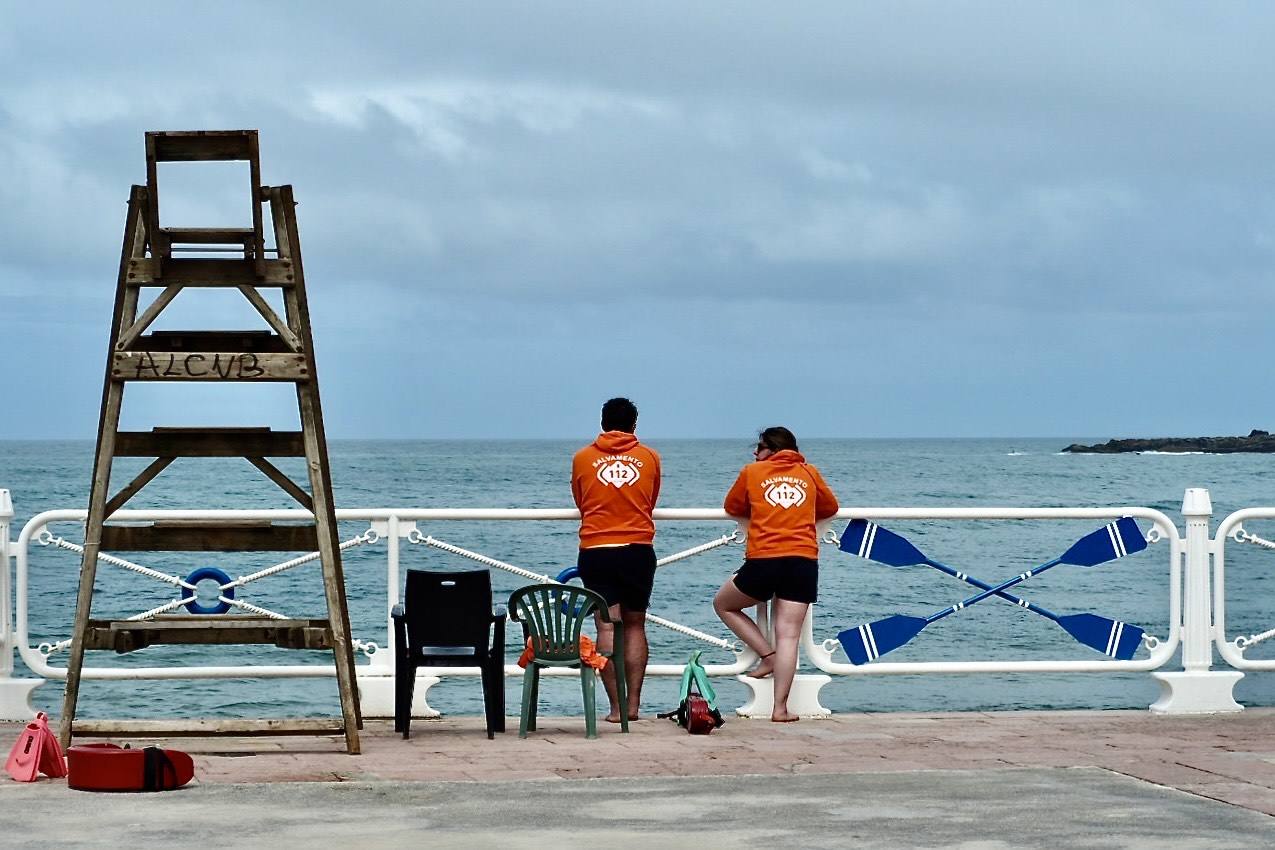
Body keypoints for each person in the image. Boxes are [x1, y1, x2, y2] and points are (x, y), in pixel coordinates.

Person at [714, 426, 839, 722]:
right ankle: (780, 708)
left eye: (758, 449)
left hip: (764, 560)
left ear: (769, 448)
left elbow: (732, 506)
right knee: (789, 636)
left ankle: (766, 655)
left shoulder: (752, 472)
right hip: (802, 560)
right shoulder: (809, 473)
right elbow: (830, 507)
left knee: (724, 604)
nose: (755, 454)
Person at [571, 397, 661, 723]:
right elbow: (651, 500)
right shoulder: (650, 457)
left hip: (596, 548)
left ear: (602, 423)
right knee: (636, 624)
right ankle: (634, 704)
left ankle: (615, 708)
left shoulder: (582, 458)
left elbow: (581, 500)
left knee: (606, 625)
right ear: (634, 424)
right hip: (637, 548)